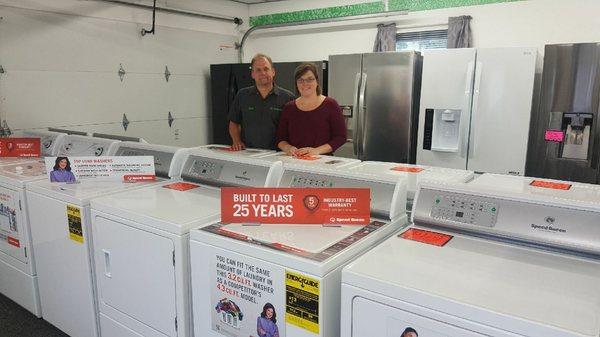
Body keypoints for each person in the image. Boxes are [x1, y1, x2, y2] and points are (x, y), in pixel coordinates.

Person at [276, 62, 346, 156]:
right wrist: (288, 148)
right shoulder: (289, 108)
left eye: (310, 79)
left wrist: (316, 151)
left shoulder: (330, 105)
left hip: (321, 162)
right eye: (300, 80)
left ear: (317, 81)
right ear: (296, 84)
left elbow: (340, 137)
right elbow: (280, 139)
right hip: (294, 162)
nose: (305, 84)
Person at [228, 53, 295, 151]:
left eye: (266, 69)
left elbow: (294, 129)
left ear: (273, 72)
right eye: (258, 70)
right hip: (248, 153)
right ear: (252, 74)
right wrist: (236, 141)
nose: (262, 73)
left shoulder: (288, 97)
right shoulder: (242, 95)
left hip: (278, 155)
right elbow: (233, 122)